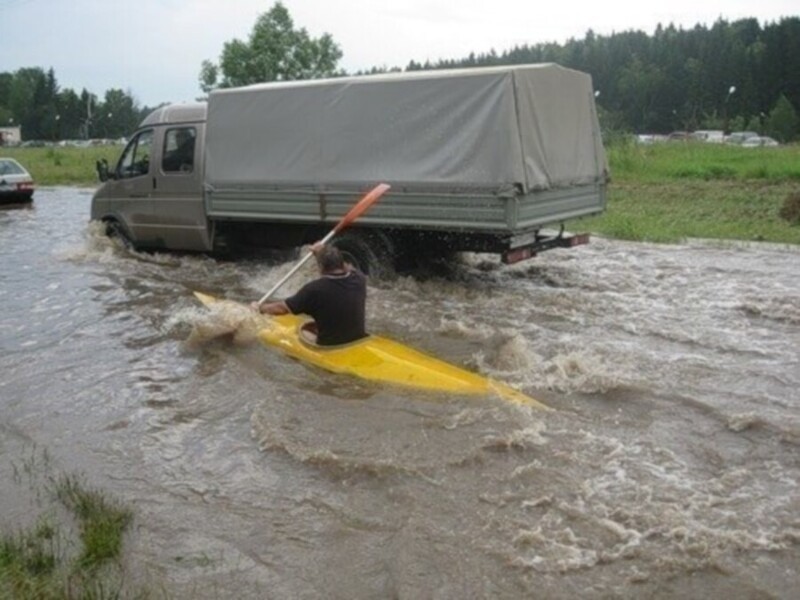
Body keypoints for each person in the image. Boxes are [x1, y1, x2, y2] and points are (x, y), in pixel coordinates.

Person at [253, 242, 367, 346]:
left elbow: (281, 309)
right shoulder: (359, 278)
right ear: (341, 263)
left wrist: (259, 308)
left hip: (330, 346)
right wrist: (322, 252)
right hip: (358, 339)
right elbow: (348, 266)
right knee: (315, 325)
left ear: (321, 267)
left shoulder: (315, 289)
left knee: (305, 332)